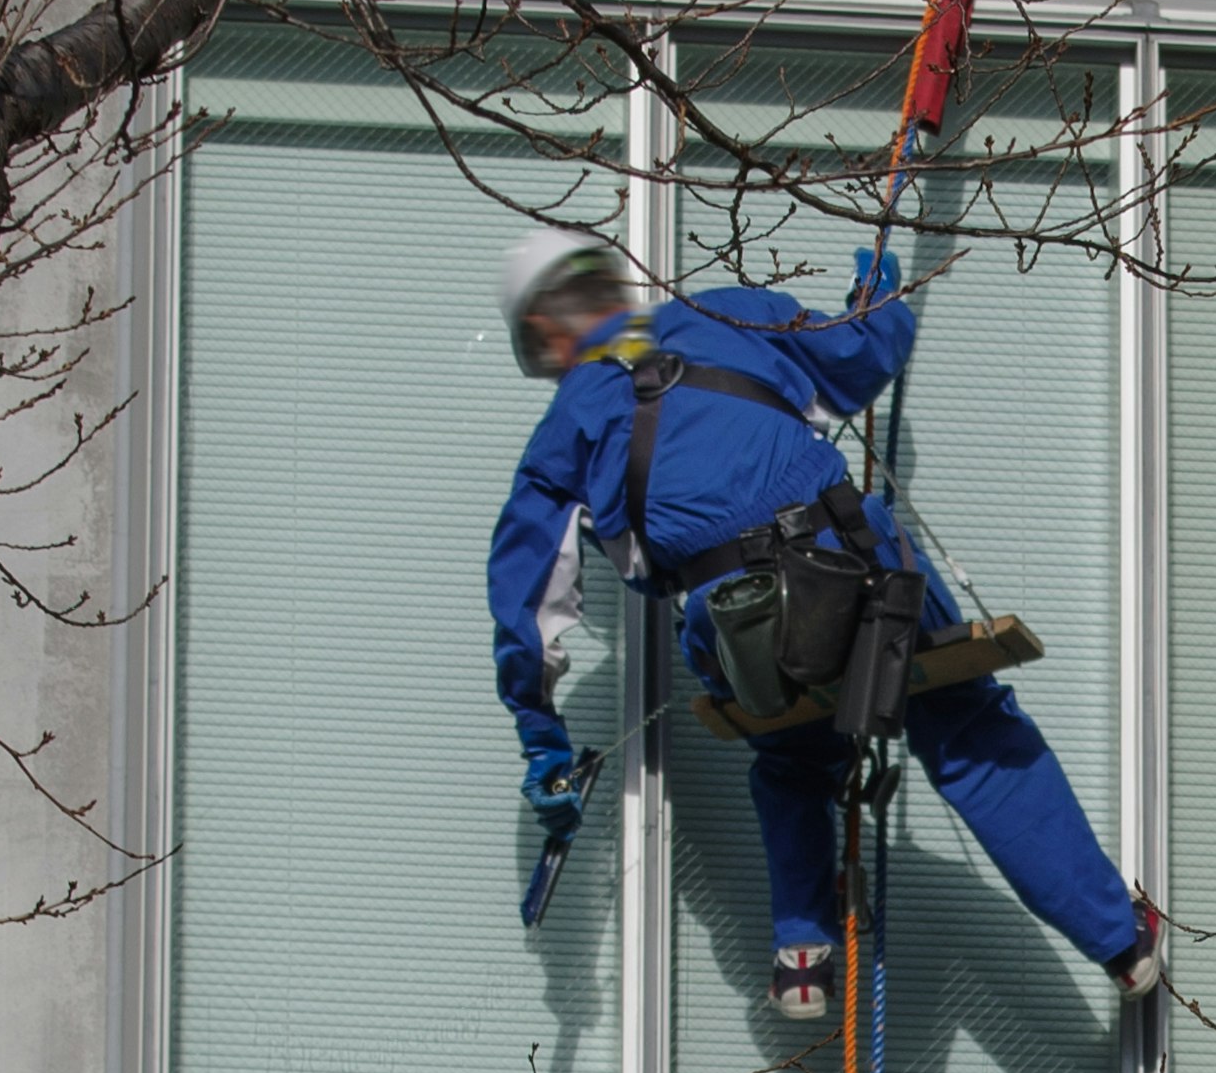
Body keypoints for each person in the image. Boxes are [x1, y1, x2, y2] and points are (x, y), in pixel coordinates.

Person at [485, 226, 1159, 1017]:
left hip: (730, 622)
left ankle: (801, 956)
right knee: (968, 734)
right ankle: (1121, 942)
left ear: (543, 331)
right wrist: (876, 293)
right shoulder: (725, 317)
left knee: (792, 759)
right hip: (850, 562)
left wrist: (543, 742)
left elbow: (525, 606)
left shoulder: (561, 434)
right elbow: (865, 353)